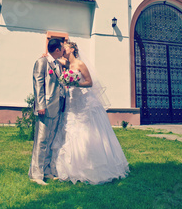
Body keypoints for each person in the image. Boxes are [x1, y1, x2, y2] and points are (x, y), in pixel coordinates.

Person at [51, 41, 129, 184]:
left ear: (72, 49)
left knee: (85, 130)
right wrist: (48, 56)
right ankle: (70, 168)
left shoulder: (80, 64)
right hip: (71, 101)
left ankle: (90, 167)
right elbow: (54, 59)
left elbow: (89, 82)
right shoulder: (66, 63)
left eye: (65, 47)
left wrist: (76, 84)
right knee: (69, 129)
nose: (63, 49)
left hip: (82, 100)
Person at [28, 38, 66, 185]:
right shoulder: (42, 62)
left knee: (51, 141)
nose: (63, 50)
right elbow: (38, 84)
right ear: (56, 49)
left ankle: (47, 171)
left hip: (58, 107)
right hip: (46, 107)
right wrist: (40, 105)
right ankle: (36, 175)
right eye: (62, 48)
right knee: (41, 140)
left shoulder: (58, 64)